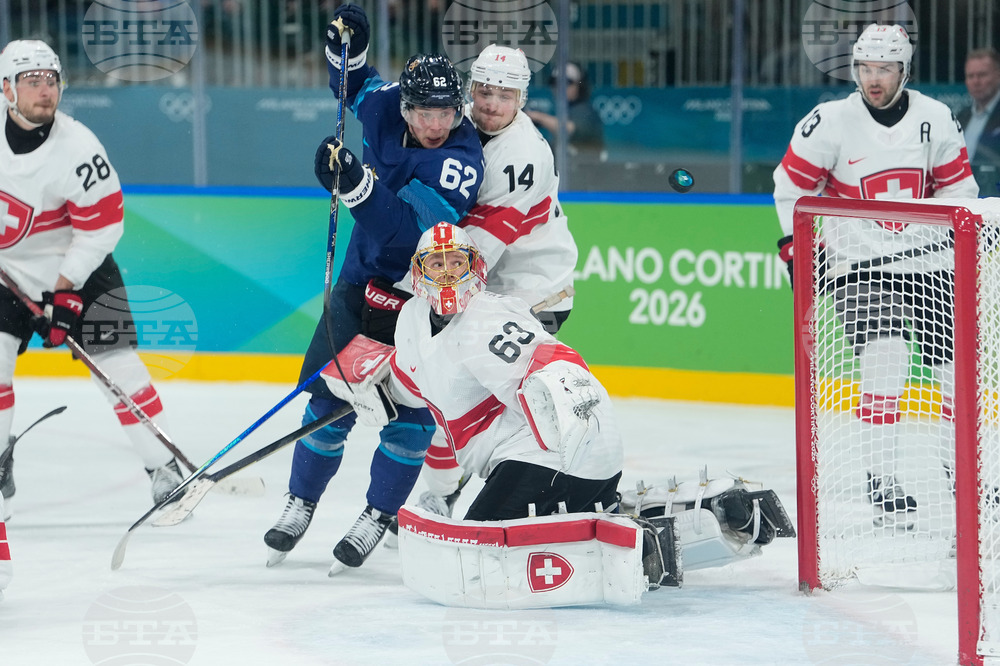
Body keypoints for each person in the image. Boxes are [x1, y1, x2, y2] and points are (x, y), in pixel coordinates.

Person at [324, 222, 795, 596]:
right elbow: (419, 388)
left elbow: (554, 359)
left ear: (476, 268)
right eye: (437, 265)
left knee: (481, 555)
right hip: (537, 456)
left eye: (456, 264)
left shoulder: (488, 315)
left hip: (560, 447)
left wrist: (572, 416)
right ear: (419, 272)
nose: (447, 275)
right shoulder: (409, 321)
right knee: (499, 536)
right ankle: (704, 512)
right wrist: (375, 385)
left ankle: (642, 545)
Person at [262, 4, 484, 570]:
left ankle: (378, 514)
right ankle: (300, 502)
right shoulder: (387, 107)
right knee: (326, 401)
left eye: (446, 113)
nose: (437, 125)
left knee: (410, 418)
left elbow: (413, 235)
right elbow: (352, 85)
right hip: (359, 281)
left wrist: (355, 184)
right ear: (405, 107)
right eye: (425, 113)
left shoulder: (461, 160)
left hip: (422, 297)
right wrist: (348, 45)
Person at [772, 24, 979, 526]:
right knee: (887, 355)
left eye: (884, 69)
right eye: (865, 68)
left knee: (954, 374)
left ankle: (965, 473)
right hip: (857, 264)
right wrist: (798, 248)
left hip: (929, 262)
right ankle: (882, 478)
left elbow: (960, 189)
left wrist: (955, 240)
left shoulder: (935, 117)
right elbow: (789, 187)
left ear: (904, 70)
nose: (873, 79)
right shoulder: (829, 122)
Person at [0, 40, 186, 516]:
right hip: (9, 276)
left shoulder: (78, 148)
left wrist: (64, 293)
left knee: (119, 372)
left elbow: (103, 227)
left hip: (81, 269)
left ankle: (163, 466)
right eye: (32, 81)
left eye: (52, 80)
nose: (45, 91)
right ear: (6, 89)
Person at [397, 44, 578, 528]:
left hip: (531, 291)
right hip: (494, 284)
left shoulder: (522, 155)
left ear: (522, 97)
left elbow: (467, 255)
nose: (491, 104)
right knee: (457, 393)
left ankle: (522, 495)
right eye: (483, 91)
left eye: (505, 94)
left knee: (477, 399)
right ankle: (449, 494)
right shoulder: (460, 126)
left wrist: (401, 290)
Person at [526, 60, 604, 160]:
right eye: (555, 83)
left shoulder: (585, 111)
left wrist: (537, 116)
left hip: (586, 171)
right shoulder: (564, 110)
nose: (560, 88)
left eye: (567, 83)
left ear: (580, 86)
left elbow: (568, 129)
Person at [957, 48, 1000, 195]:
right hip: (963, 195)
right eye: (970, 76)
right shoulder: (962, 116)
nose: (976, 81)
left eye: (982, 75)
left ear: (998, 75)